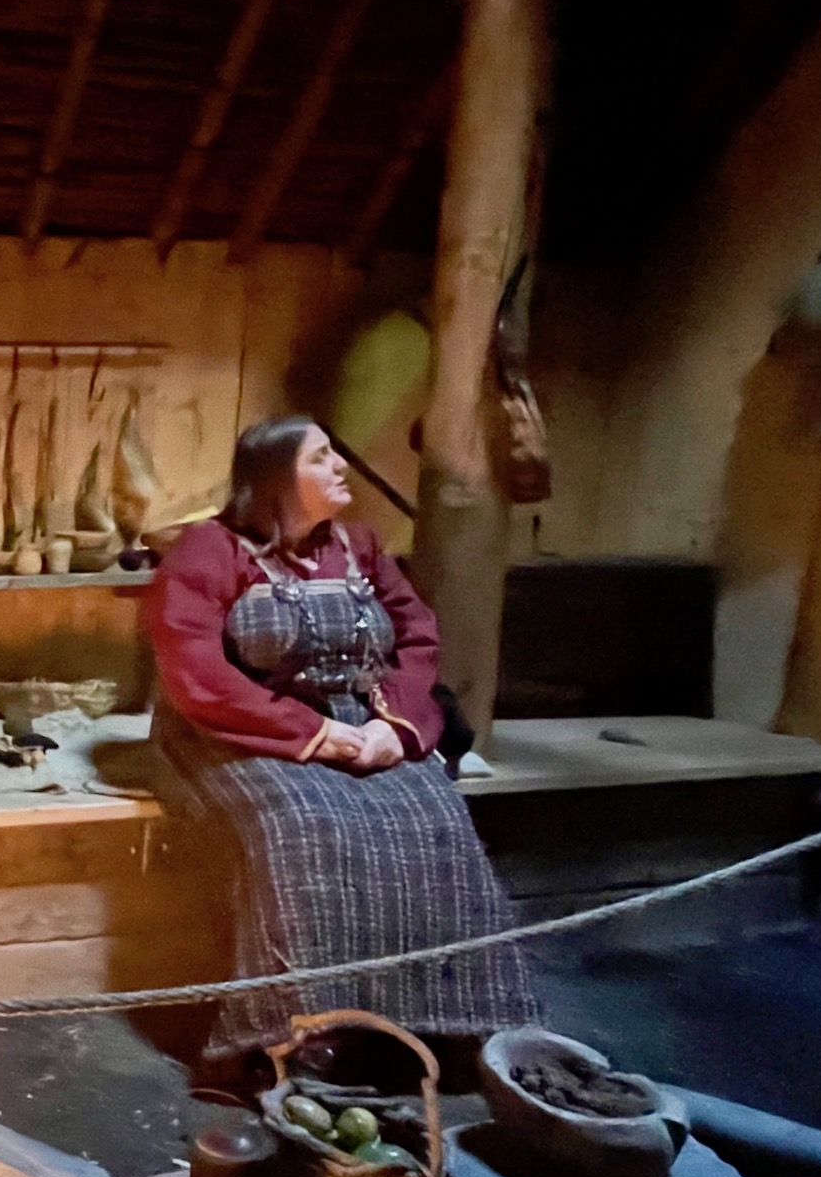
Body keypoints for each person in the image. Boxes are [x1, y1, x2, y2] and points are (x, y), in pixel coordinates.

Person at [146, 415, 539, 1074]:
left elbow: (416, 634)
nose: (341, 468)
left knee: (433, 813)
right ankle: (304, 1028)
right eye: (322, 458)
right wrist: (313, 734)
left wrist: (394, 727)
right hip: (235, 726)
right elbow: (197, 674)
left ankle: (450, 1014)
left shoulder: (359, 546)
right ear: (277, 478)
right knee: (304, 823)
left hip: (360, 717)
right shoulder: (207, 551)